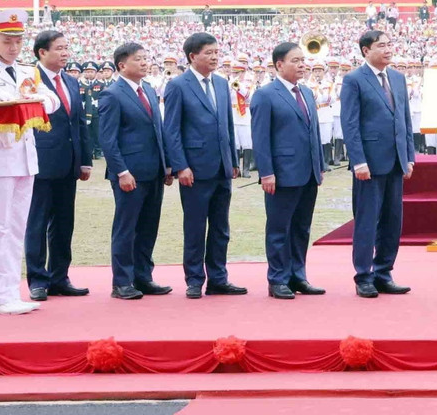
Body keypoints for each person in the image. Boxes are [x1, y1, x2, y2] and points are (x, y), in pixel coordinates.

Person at [162, 33, 246, 299]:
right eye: (208, 53)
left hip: (222, 167)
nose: (214, 57)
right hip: (195, 169)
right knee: (196, 227)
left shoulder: (222, 84)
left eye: (216, 52)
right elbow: (171, 130)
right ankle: (195, 279)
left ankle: (218, 278)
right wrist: (180, 166)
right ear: (192, 56)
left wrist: (232, 160)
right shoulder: (178, 85)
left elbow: (228, 126)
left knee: (221, 227)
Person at [340, 30, 415, 299]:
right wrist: (358, 161)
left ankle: (384, 271)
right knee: (367, 221)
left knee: (392, 221)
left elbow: (404, 120)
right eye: (381, 45)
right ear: (365, 51)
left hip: (395, 161)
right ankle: (364, 276)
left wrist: (408, 156)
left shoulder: (397, 77)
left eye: (389, 44)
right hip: (369, 164)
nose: (387, 49)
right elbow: (349, 124)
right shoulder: (354, 80)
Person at [250, 42, 326, 300]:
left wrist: (319, 166)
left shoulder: (306, 93)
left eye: (303, 60)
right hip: (282, 174)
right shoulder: (265, 94)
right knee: (279, 229)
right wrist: (266, 172)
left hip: (308, 173)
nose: (302, 65)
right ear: (279, 65)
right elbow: (260, 138)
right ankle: (278, 279)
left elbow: (313, 133)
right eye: (295, 60)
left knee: (301, 229)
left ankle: (298, 275)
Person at [98, 42, 174, 300]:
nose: (145, 62)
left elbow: (158, 130)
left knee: (148, 227)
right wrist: (121, 172)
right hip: (129, 174)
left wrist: (167, 165)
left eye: (146, 58)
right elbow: (108, 140)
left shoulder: (150, 90)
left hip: (153, 171)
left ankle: (143, 276)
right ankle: (121, 282)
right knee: (126, 228)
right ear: (122, 65)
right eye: (138, 59)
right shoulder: (112, 94)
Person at [0, 10, 61, 315]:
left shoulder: (26, 71)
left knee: (16, 227)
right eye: (7, 41)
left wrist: (36, 97)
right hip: (1, 158)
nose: (13, 47)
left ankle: (9, 291)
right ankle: (1, 294)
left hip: (25, 158)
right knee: (0, 227)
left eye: (17, 41)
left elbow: (53, 101)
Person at [26, 30, 93, 302]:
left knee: (64, 223)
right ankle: (37, 280)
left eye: (67, 48)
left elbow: (79, 123)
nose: (66, 53)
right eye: (60, 48)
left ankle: (59, 277)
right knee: (38, 223)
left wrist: (85, 159)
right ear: (42, 52)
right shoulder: (29, 80)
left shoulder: (70, 81)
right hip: (41, 162)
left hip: (69, 164)